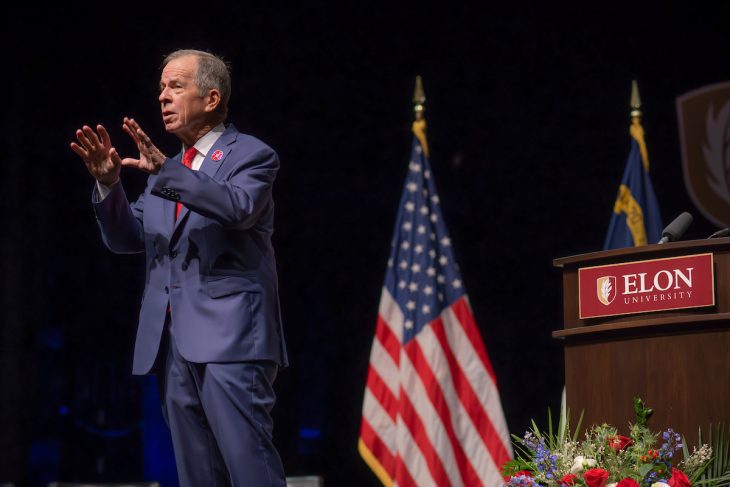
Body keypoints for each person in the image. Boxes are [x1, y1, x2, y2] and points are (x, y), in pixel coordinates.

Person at [70, 49, 287, 486]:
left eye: (175, 86)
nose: (163, 97)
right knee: (197, 476)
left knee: (250, 470)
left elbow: (237, 208)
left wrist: (167, 173)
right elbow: (128, 238)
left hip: (232, 343)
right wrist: (109, 185)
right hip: (174, 348)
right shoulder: (168, 174)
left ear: (211, 98)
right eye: (161, 89)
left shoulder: (251, 155)